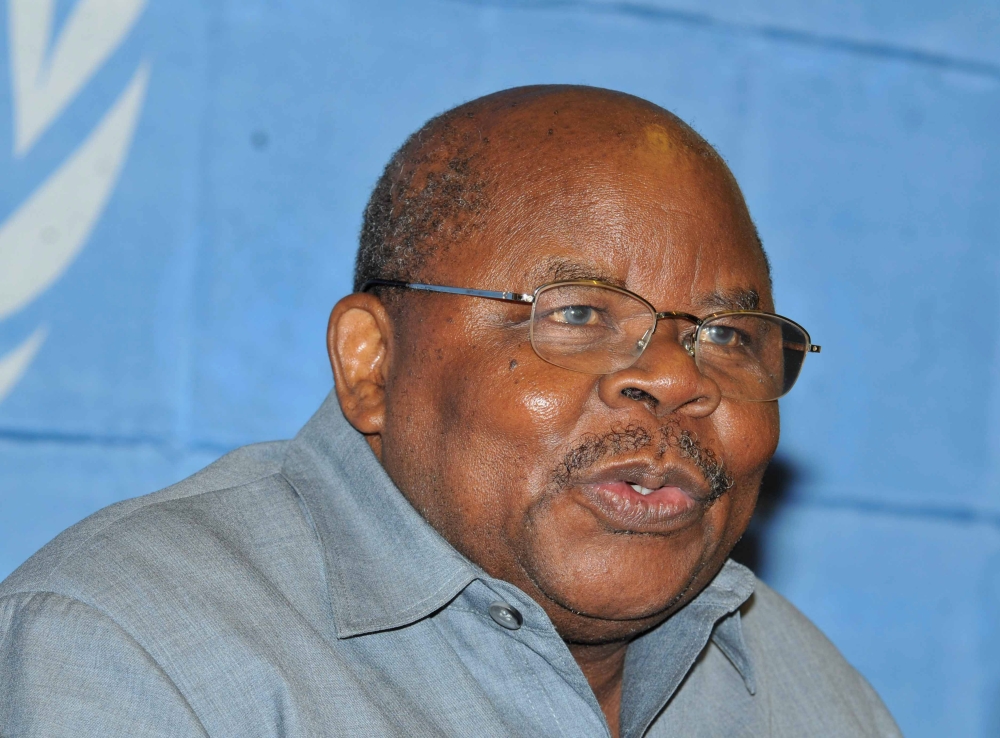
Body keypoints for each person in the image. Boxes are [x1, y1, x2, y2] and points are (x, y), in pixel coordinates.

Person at [0, 85, 900, 737]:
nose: (674, 377)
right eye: (577, 314)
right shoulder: (130, 651)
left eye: (727, 335)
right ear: (372, 361)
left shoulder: (806, 693)